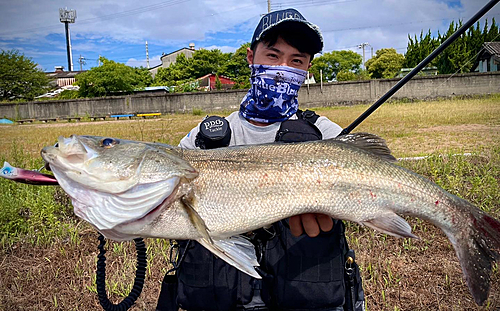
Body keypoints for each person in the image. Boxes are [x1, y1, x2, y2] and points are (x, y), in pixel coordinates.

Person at [156, 8, 365, 311]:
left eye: (296, 61)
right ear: (251, 57)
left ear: (307, 68)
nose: (282, 69)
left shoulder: (326, 135)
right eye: (272, 55)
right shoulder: (202, 141)